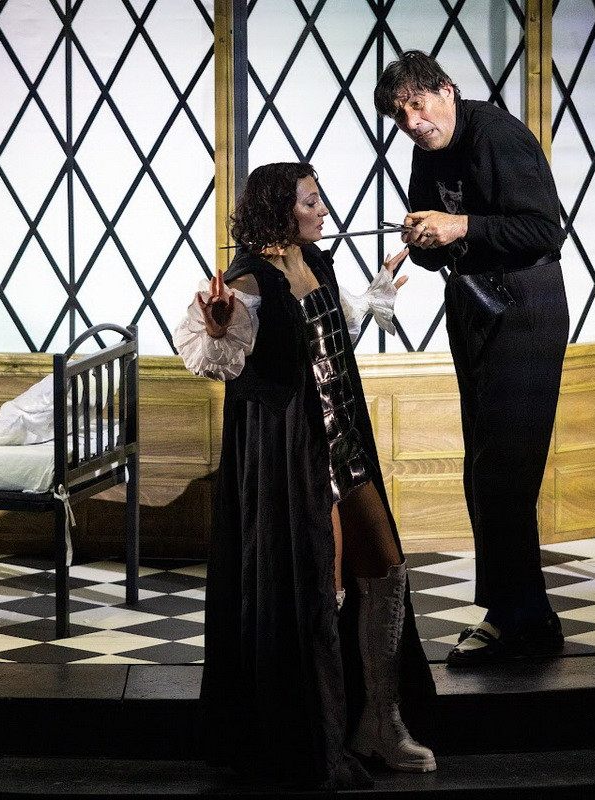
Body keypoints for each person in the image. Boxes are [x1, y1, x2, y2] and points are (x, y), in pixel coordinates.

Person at [174, 162, 436, 789]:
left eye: (319, 200)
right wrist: (218, 330)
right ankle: (323, 731)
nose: (323, 211)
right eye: (311, 202)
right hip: (293, 452)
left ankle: (381, 720)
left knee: (387, 567)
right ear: (278, 211)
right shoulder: (245, 281)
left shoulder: (315, 261)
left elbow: (329, 333)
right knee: (321, 584)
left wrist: (376, 294)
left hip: (344, 437)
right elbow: (214, 360)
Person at [374, 51, 570, 665]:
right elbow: (438, 242)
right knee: (485, 468)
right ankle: (526, 614)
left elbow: (544, 231)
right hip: (474, 303)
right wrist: (423, 239)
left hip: (526, 304)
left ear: (447, 90)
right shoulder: (427, 149)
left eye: (418, 104)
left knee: (505, 470)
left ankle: (513, 617)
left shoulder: (497, 136)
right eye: (401, 115)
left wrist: (459, 227)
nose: (413, 122)